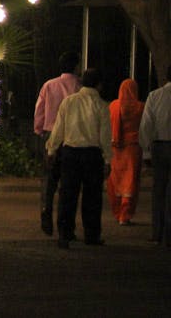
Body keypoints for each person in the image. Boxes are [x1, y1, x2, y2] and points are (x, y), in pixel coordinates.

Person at [46, 68, 111, 248]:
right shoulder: (101, 105)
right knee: (92, 196)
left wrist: (52, 151)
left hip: (70, 153)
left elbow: (59, 129)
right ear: (99, 84)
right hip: (92, 154)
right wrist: (107, 159)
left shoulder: (69, 102)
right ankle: (91, 234)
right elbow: (105, 135)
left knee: (68, 194)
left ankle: (65, 234)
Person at [32, 51, 81, 235]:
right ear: (76, 66)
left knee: (48, 179)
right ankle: (65, 224)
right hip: (71, 138)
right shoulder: (80, 87)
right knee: (68, 183)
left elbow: (40, 111)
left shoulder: (49, 85)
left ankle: (46, 212)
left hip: (50, 135)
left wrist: (39, 130)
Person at [139, 66, 171, 247]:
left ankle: (157, 232)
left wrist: (146, 151)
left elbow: (146, 125)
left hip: (160, 146)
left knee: (159, 190)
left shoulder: (155, 96)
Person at [107, 78, 144, 225]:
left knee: (116, 180)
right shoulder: (140, 107)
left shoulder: (113, 106)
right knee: (130, 181)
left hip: (115, 149)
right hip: (133, 148)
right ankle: (125, 214)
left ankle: (117, 212)